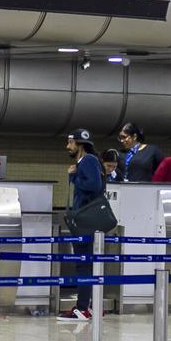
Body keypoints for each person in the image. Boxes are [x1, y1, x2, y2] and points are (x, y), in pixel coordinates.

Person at [57, 128, 104, 322]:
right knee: (85, 264)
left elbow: (95, 186)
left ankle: (82, 308)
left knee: (83, 264)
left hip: (85, 221)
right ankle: (88, 306)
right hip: (85, 219)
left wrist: (73, 176)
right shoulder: (86, 161)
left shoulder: (88, 160)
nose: (67, 146)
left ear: (80, 144)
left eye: (70, 142)